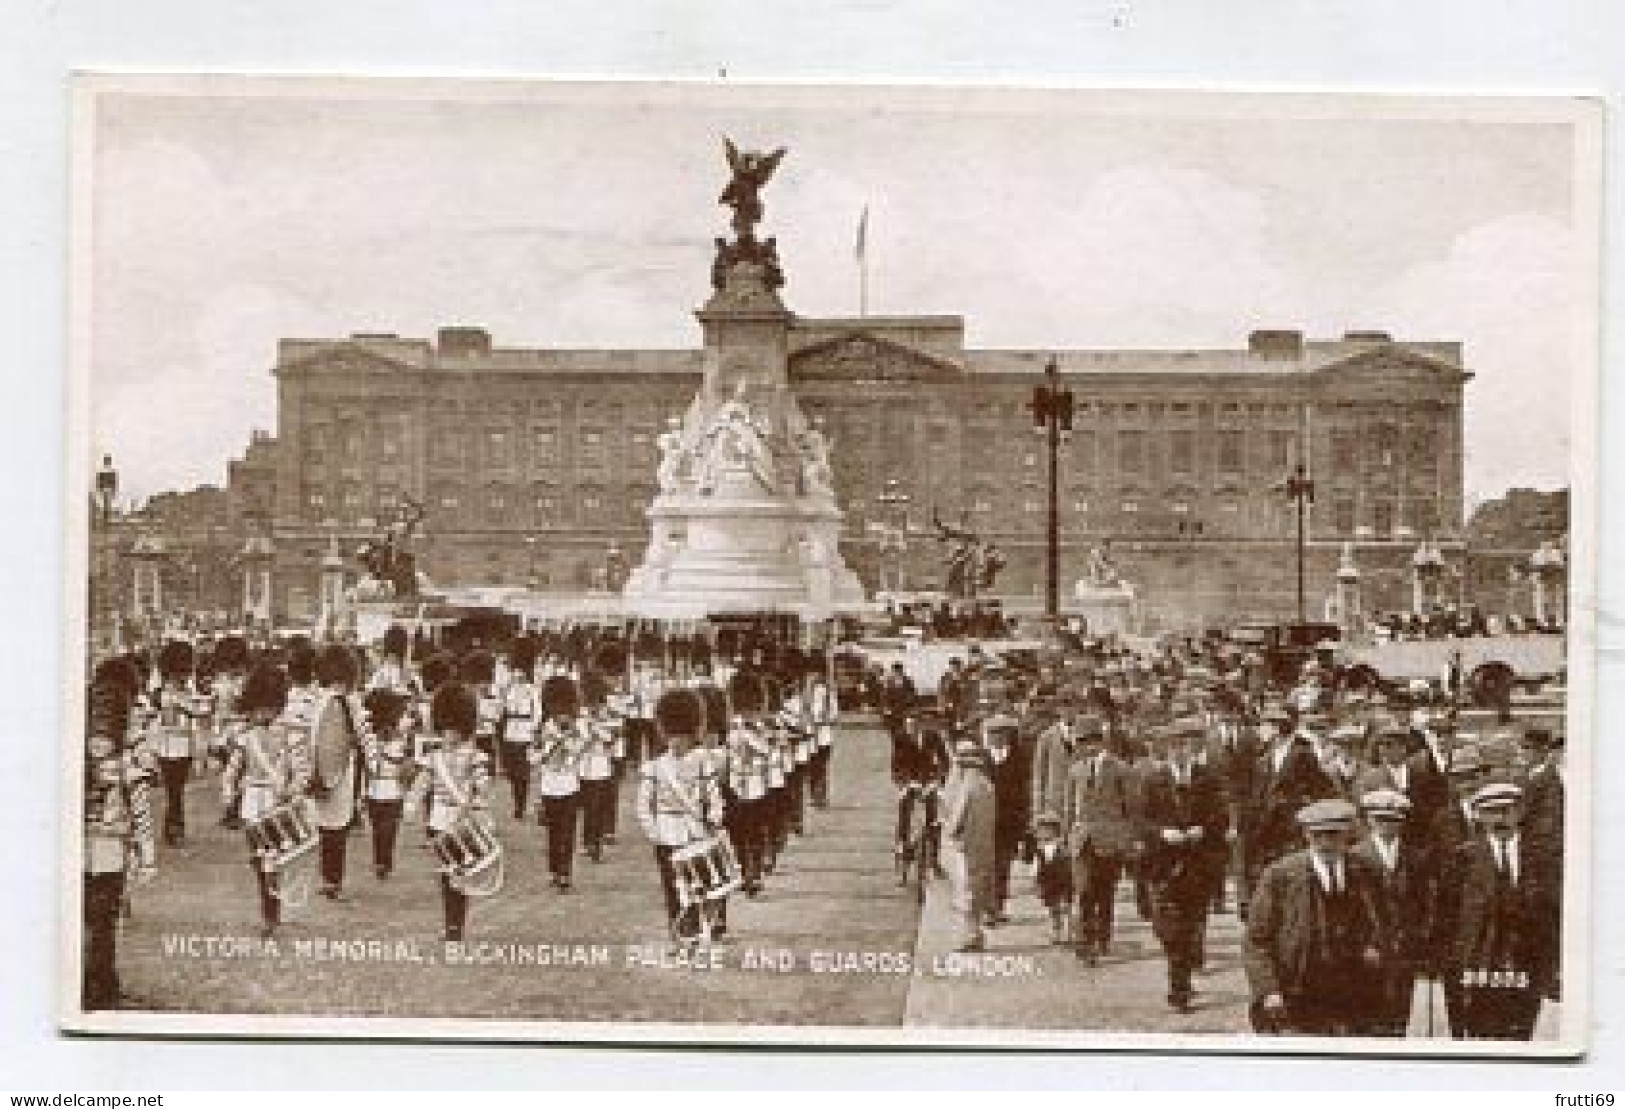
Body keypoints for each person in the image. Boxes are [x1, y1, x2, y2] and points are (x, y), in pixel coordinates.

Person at [1244, 798, 1393, 1036]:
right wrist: (1268, 990)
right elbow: (1256, 940)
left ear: (1347, 835)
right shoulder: (1281, 876)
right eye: (1317, 836)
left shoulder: (1366, 872)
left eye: (1333, 835)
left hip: (1355, 992)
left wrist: (1375, 946)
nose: (1325, 843)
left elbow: (1386, 922)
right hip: (1299, 991)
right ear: (1306, 835)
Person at [1434, 781, 1560, 1040]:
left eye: (1507, 810)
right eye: (1492, 812)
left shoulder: (1541, 858)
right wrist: (1450, 966)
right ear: (1479, 816)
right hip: (1478, 964)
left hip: (1526, 963)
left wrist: (1552, 964)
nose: (1500, 819)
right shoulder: (1463, 859)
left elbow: (1552, 914)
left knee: (1519, 1034)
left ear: (1520, 812)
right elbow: (1446, 918)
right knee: (1479, 1033)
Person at [1139, 718, 1229, 1013]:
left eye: (1185, 745)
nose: (1179, 751)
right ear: (1165, 749)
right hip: (1162, 865)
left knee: (1192, 924)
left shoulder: (1207, 778)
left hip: (1199, 864)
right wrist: (1162, 833)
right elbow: (1141, 822)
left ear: (1193, 748)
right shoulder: (1152, 780)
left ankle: (1180, 986)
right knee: (1168, 928)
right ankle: (1180, 973)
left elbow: (1222, 817)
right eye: (1174, 746)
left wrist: (1203, 829)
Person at [83, 678, 155, 1010]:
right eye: (94, 734)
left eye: (104, 734)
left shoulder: (128, 769)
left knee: (103, 921)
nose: (98, 743)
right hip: (81, 855)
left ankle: (103, 981)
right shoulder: (76, 766)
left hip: (112, 855)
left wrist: (147, 856)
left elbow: (141, 814)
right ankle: (92, 981)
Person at [637, 687, 726, 946]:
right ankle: (679, 934)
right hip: (666, 834)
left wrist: (715, 817)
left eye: (682, 737)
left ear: (692, 735)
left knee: (697, 885)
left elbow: (713, 796)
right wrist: (654, 832)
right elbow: (644, 805)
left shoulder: (702, 764)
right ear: (665, 734)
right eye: (672, 736)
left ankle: (695, 929)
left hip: (695, 832)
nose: (676, 742)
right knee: (672, 889)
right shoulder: (654, 767)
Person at [409, 681, 494, 942]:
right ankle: (451, 924)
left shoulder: (475, 756)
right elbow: (422, 783)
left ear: (462, 729)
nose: (447, 734)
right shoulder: (433, 757)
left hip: (461, 822)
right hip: (439, 819)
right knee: (447, 874)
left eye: (452, 729)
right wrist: (411, 805)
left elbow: (484, 786)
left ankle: (457, 924)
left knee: (460, 873)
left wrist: (476, 799)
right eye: (444, 729)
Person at [1352, 788, 1433, 1036]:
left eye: (1393, 820)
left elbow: (1425, 903)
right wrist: (1363, 943)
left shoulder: (1416, 858)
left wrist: (1421, 939)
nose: (1387, 825)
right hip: (1369, 950)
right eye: (1380, 819)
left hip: (1405, 949)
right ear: (1369, 820)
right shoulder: (1355, 856)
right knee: (1368, 1013)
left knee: (1399, 1013)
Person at [1063, 719, 1137, 963]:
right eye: (1082, 743)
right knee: (1084, 891)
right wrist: (1066, 836)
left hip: (1110, 840)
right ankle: (1085, 942)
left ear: (1101, 741)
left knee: (1105, 892)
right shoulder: (1075, 771)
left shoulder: (1120, 769)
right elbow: (1068, 807)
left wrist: (1127, 840)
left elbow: (1129, 809)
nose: (1087, 747)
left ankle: (1103, 937)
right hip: (1082, 839)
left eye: (1091, 741)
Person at [309, 643, 364, 901]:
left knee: (330, 827)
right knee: (334, 829)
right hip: (336, 770)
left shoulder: (327, 702)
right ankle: (332, 879)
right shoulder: (340, 702)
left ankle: (331, 879)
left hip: (330, 770)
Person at [940, 739, 997, 953]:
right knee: (974, 890)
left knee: (967, 891)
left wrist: (950, 832)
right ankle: (974, 933)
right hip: (980, 844)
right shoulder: (986, 786)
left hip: (968, 845)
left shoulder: (970, 787)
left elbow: (956, 818)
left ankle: (970, 935)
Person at [531, 674, 585, 892]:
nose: (563, 715)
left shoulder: (577, 729)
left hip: (569, 784)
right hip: (549, 785)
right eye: (558, 710)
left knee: (568, 831)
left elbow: (580, 752)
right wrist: (546, 751)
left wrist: (568, 745)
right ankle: (554, 868)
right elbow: (532, 756)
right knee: (553, 832)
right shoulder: (542, 729)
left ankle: (566, 872)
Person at [361, 689, 413, 881]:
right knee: (379, 828)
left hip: (392, 788)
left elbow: (405, 766)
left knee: (387, 829)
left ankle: (384, 861)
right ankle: (380, 860)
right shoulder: (370, 738)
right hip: (376, 787)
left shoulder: (401, 738)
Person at [1031, 810, 1074, 945]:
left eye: (1047, 830)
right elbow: (1036, 868)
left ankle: (1065, 931)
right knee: (1054, 908)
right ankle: (1057, 931)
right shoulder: (1040, 850)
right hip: (1049, 883)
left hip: (1064, 881)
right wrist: (1036, 882)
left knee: (1064, 907)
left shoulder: (1063, 848)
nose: (1043, 834)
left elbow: (1070, 864)